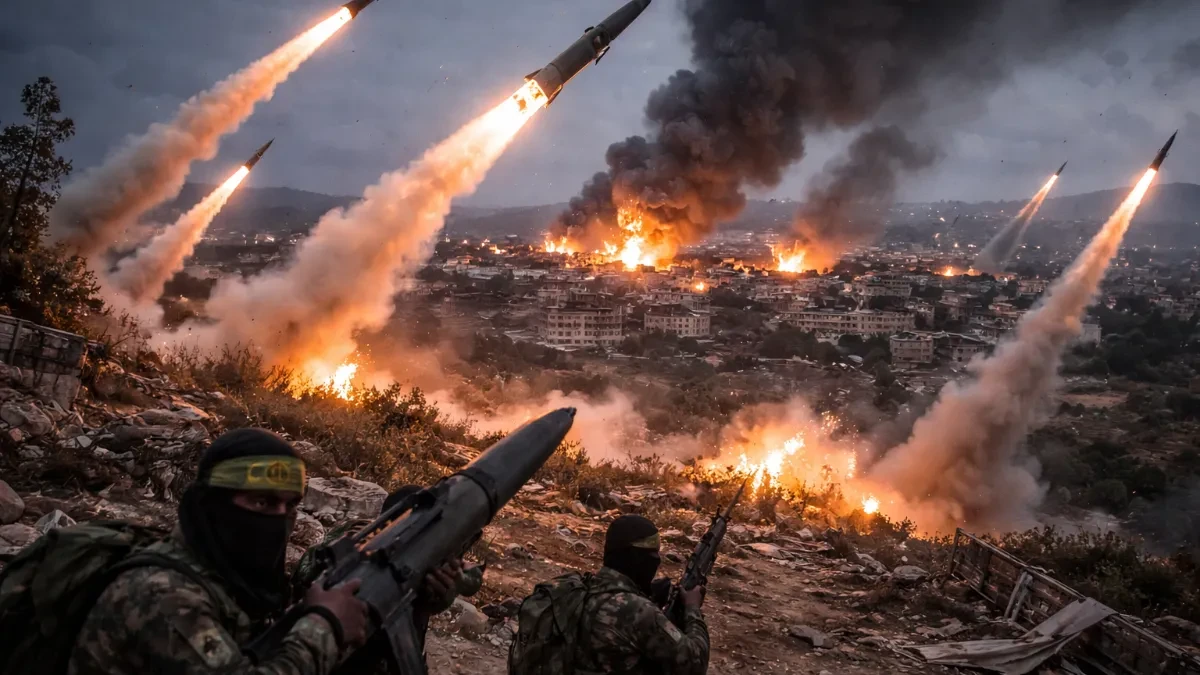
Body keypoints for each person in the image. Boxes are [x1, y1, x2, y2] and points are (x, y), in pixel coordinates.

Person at [68, 428, 369, 675]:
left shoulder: (224, 576)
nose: (279, 519)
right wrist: (324, 625)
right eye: (262, 502)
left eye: (290, 505)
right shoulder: (162, 593)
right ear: (213, 503)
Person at [291, 484, 485, 672]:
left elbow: (470, 578)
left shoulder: (429, 558)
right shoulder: (358, 540)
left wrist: (442, 594)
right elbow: (308, 567)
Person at [509, 514, 710, 675]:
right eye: (652, 553)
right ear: (635, 557)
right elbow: (695, 663)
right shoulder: (636, 610)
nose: (657, 559)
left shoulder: (578, 590)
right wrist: (692, 609)